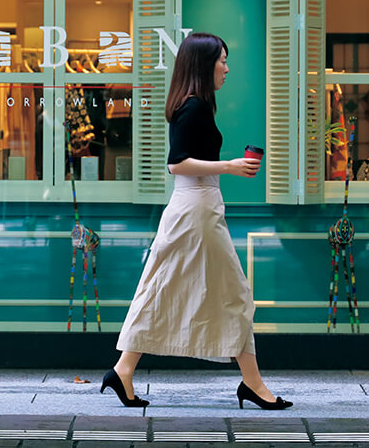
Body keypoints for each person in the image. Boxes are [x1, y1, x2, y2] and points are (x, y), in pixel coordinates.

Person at [100, 32, 293, 410]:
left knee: (163, 287)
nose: (227, 68)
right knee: (231, 294)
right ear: (204, 65)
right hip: (197, 211)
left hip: (194, 209)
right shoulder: (195, 108)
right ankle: (252, 384)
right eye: (222, 60)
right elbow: (177, 163)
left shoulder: (190, 104)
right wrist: (230, 166)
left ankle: (123, 370)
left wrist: (226, 169)